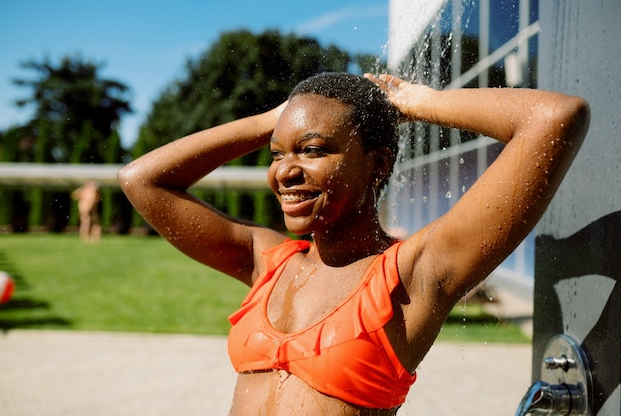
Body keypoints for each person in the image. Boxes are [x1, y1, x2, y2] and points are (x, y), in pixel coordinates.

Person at [118, 72, 589, 415]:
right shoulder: (269, 264)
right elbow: (141, 180)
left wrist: (417, 101)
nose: (285, 171)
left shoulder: (413, 275)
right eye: (277, 153)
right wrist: (275, 118)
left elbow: (555, 117)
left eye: (314, 149)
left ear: (378, 164)